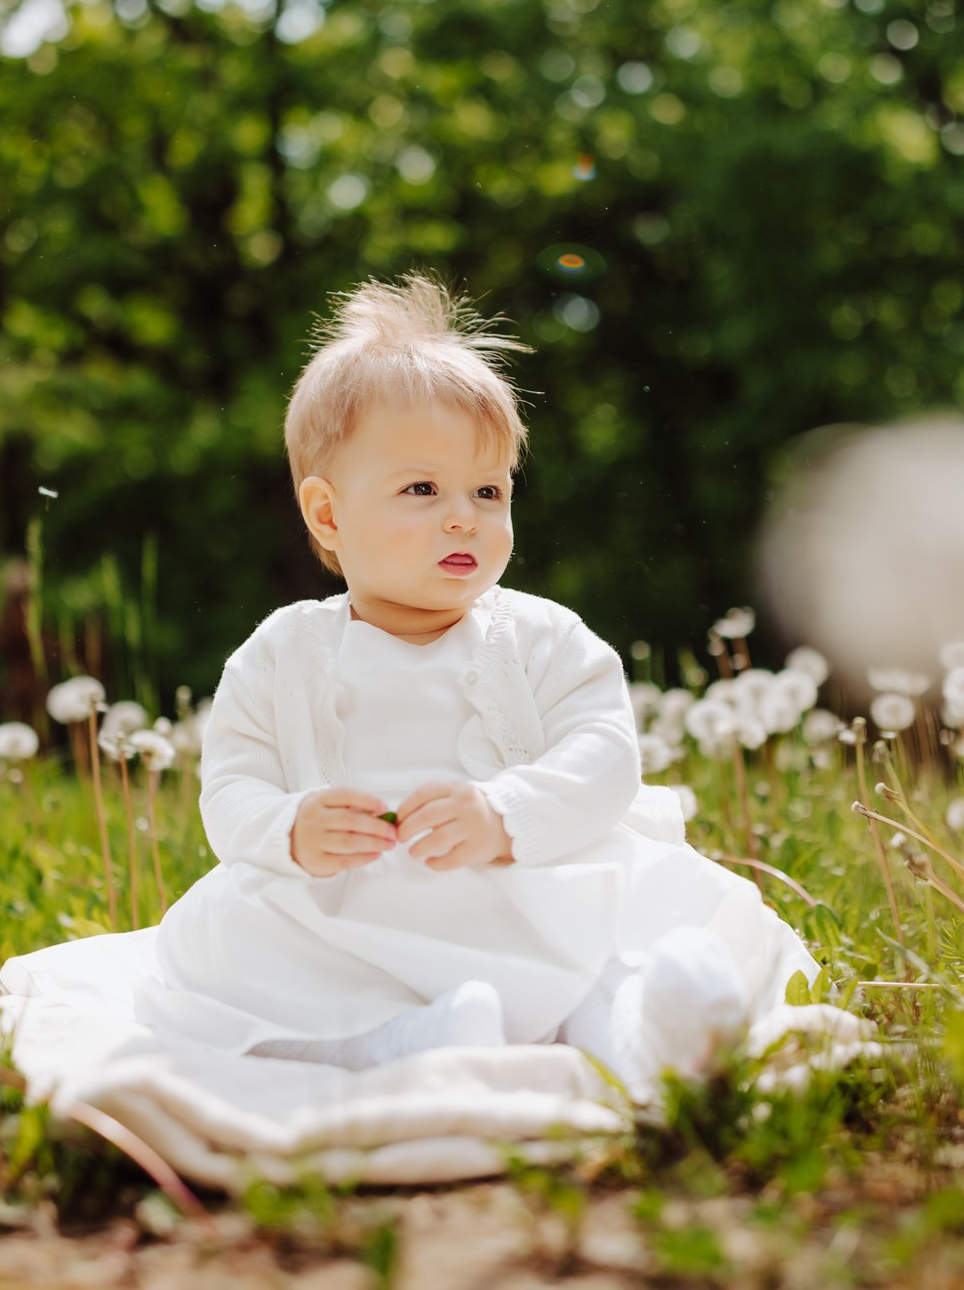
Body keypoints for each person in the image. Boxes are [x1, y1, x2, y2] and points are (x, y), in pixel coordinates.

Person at [134, 273, 817, 1097]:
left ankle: (651, 1037)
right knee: (230, 948)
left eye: (488, 491)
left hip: (523, 883)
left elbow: (605, 756)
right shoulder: (282, 653)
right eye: (422, 489)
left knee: (608, 944)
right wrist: (287, 830)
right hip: (352, 908)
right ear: (326, 515)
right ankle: (405, 1040)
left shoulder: (541, 637)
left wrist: (507, 813)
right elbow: (231, 783)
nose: (465, 516)